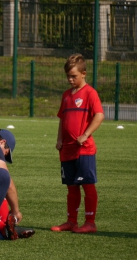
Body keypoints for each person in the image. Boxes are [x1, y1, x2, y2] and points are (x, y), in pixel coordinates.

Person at [50, 54, 104, 233]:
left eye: (73, 76)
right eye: (68, 76)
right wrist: (59, 139)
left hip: (84, 150)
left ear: (84, 74)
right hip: (67, 150)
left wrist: (86, 134)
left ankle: (90, 222)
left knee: (87, 185)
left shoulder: (90, 93)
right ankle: (71, 221)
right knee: (71, 188)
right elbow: (62, 119)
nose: (70, 79)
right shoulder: (66, 95)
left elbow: (99, 115)